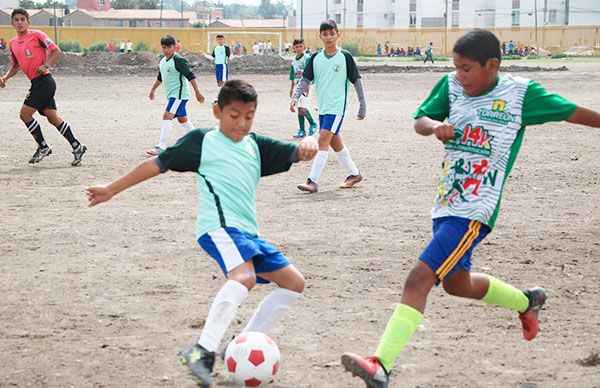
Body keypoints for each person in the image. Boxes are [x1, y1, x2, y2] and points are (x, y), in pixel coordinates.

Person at [341, 28, 600, 388]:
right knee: (457, 284)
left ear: (492, 65)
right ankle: (527, 301)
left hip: (475, 210)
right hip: (446, 203)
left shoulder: (521, 94)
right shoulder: (450, 86)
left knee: (419, 278)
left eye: (466, 69)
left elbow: (569, 111)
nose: (459, 76)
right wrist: (435, 126)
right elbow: (420, 119)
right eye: (456, 67)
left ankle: (380, 364)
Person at [85, 79, 319, 388]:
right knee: (244, 278)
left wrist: (309, 145)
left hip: (248, 235)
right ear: (217, 112)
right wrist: (111, 189)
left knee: (293, 283)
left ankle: (239, 345)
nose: (241, 123)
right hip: (219, 227)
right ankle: (202, 351)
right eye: (234, 115)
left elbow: (296, 153)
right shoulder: (202, 140)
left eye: (249, 116)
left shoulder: (255, 146)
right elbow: (157, 164)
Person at [0, 9, 86, 165]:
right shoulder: (12, 43)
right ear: (12, 22)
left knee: (25, 114)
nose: (19, 22)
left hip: (45, 81)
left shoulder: (37, 35)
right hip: (36, 83)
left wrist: (45, 65)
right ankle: (77, 146)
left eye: (22, 19)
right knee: (53, 118)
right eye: (16, 20)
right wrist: (5, 77)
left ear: (28, 21)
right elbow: (16, 65)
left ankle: (43, 146)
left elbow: (56, 51)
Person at [291, 19, 366, 193]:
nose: (329, 37)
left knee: (323, 140)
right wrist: (295, 96)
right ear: (320, 36)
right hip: (323, 107)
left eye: (332, 33)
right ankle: (354, 174)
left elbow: (356, 81)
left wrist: (363, 105)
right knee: (334, 143)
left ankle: (312, 181)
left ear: (338, 34)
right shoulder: (315, 58)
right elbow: (305, 80)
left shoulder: (345, 57)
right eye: (325, 34)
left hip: (337, 108)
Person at [146, 35, 205, 156]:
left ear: (174, 47)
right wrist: (153, 90)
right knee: (182, 119)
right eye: (164, 47)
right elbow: (160, 77)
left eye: (169, 47)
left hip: (179, 94)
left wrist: (197, 92)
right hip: (173, 95)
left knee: (167, 116)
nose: (166, 49)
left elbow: (191, 76)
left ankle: (162, 147)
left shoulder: (178, 60)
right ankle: (200, 141)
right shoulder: (162, 61)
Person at [289, 38, 318, 139]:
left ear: (304, 47)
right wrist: (292, 89)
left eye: (301, 46)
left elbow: (311, 72)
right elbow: (293, 75)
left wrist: (308, 85)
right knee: (299, 108)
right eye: (296, 46)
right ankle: (302, 130)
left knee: (302, 108)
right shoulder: (293, 61)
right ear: (294, 48)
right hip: (298, 85)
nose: (299, 48)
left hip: (306, 85)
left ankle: (313, 123)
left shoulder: (307, 58)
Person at [201, 34, 232, 102]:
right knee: (219, 83)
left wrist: (234, 54)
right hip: (217, 66)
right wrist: (204, 55)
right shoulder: (216, 47)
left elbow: (230, 57)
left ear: (224, 40)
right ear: (217, 40)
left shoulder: (226, 47)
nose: (220, 41)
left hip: (223, 66)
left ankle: (218, 98)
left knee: (223, 82)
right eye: (218, 39)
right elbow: (212, 57)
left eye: (221, 39)